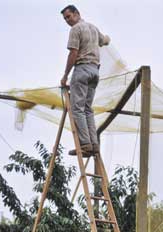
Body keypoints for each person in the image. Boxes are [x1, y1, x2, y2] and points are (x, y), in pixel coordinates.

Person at [60, 5, 110, 157]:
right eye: (65, 19)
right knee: (88, 109)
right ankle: (94, 144)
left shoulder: (76, 29)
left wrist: (65, 75)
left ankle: (85, 145)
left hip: (82, 70)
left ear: (77, 14)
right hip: (95, 72)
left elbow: (73, 53)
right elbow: (105, 41)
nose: (67, 21)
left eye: (69, 16)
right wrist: (107, 39)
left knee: (77, 109)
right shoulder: (93, 28)